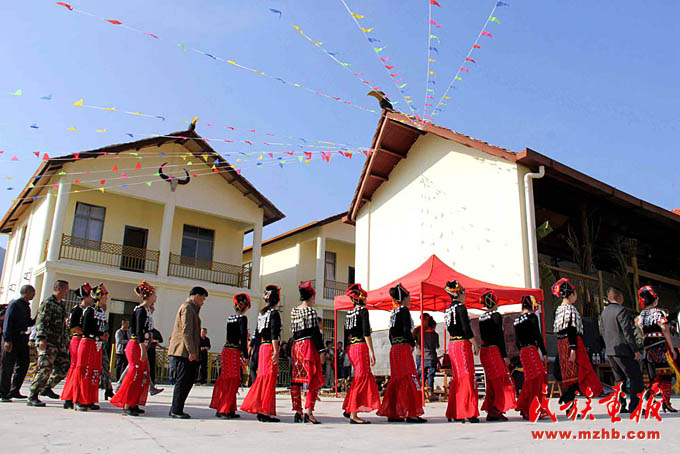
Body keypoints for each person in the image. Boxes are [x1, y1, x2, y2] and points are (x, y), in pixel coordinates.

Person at [377, 283, 426, 423]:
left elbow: (390, 334)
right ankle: (410, 413)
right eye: (409, 296)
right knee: (409, 376)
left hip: (394, 348)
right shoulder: (404, 310)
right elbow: (406, 329)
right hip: (403, 347)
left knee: (397, 379)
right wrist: (412, 343)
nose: (410, 299)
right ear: (404, 298)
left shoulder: (394, 312)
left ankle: (394, 412)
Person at [552, 278, 603, 410]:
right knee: (577, 373)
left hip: (562, 344)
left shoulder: (559, 310)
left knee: (567, 375)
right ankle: (569, 401)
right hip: (572, 343)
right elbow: (571, 329)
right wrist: (573, 348)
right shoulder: (571, 310)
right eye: (574, 293)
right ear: (571, 294)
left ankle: (568, 403)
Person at [111, 281, 156, 416]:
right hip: (136, 345)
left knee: (141, 376)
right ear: (149, 296)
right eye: (154, 294)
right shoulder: (140, 310)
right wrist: (142, 349)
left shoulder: (147, 311)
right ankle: (127, 404)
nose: (155, 297)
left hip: (142, 345)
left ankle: (134, 402)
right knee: (134, 374)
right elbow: (138, 331)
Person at [241, 285, 282, 422]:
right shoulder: (274, 314)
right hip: (270, 347)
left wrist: (251, 348)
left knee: (263, 377)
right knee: (270, 378)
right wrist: (276, 350)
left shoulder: (262, 314)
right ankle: (265, 411)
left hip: (262, 348)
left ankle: (261, 409)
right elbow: (274, 333)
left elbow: (257, 333)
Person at [599, 286, 643, 413]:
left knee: (619, 379)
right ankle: (635, 406)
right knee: (635, 377)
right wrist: (635, 350)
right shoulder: (621, 310)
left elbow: (601, 331)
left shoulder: (604, 313)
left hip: (610, 350)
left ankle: (620, 405)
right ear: (619, 297)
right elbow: (627, 332)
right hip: (623, 350)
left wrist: (608, 346)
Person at [342, 283, 380, 424]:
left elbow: (346, 334)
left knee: (358, 377)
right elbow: (366, 333)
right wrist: (372, 351)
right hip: (360, 347)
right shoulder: (363, 311)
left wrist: (347, 349)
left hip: (351, 348)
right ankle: (353, 413)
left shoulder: (349, 313)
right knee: (361, 377)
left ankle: (349, 408)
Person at [28, 280, 70, 407]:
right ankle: (33, 394)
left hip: (59, 342)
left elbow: (63, 324)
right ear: (58, 288)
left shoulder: (61, 305)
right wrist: (41, 338)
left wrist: (66, 340)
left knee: (64, 366)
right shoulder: (48, 303)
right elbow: (41, 321)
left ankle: (47, 387)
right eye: (65, 290)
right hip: (48, 341)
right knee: (44, 368)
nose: (67, 292)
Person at [636, 286, 679, 412]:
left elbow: (640, 328)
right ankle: (661, 401)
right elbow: (665, 329)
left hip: (648, 348)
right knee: (664, 375)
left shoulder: (641, 316)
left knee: (653, 376)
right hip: (660, 346)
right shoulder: (659, 313)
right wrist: (672, 348)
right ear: (654, 301)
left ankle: (652, 400)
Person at [443, 280, 480, 423]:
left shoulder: (448, 309)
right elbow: (466, 328)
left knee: (458, 377)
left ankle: (455, 411)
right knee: (466, 375)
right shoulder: (461, 308)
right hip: (462, 344)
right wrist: (475, 344)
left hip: (453, 344)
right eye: (463, 293)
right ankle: (467, 411)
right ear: (459, 294)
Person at [167, 286, 206, 419]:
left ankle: (178, 408)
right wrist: (191, 351)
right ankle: (176, 409)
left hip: (188, 351)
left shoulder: (193, 309)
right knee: (183, 381)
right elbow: (187, 331)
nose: (203, 302)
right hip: (183, 351)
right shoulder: (188, 308)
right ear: (196, 296)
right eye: (202, 299)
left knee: (188, 380)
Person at [289, 281, 326, 424]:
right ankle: (308, 411)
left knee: (296, 379)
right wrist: (321, 350)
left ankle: (297, 411)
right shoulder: (311, 311)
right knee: (312, 378)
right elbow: (315, 332)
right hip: (308, 346)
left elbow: (294, 332)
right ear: (311, 297)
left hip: (296, 346)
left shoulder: (294, 311)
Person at [210, 293, 251, 419]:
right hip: (234, 351)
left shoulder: (230, 318)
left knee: (227, 378)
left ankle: (229, 407)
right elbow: (243, 337)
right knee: (233, 379)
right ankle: (224, 409)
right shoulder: (242, 319)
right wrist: (245, 354)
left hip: (227, 350)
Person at [478, 290, 516, 422]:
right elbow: (499, 336)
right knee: (500, 380)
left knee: (491, 381)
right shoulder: (496, 316)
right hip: (494, 351)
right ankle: (497, 408)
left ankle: (492, 409)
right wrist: (504, 355)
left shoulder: (482, 318)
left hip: (484, 351)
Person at [73, 283, 108, 411]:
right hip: (88, 342)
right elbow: (86, 329)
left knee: (94, 371)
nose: (106, 299)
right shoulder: (89, 311)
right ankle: (79, 399)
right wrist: (99, 335)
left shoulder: (100, 312)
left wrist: (104, 334)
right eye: (104, 297)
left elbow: (101, 327)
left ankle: (89, 399)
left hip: (97, 344)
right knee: (84, 371)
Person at [514, 296, 549, 419]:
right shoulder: (532, 317)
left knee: (529, 379)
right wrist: (544, 352)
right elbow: (537, 335)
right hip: (531, 350)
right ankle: (532, 407)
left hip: (523, 351)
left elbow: (517, 341)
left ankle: (525, 406)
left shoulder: (517, 320)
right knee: (538, 378)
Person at [0, 285, 36, 402]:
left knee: (24, 364)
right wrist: (7, 340)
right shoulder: (15, 304)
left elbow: (28, 322)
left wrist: (35, 319)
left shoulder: (26, 306)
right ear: (25, 292)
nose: (34, 294)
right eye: (32, 292)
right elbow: (8, 322)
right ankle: (3, 392)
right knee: (8, 366)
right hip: (12, 338)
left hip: (22, 338)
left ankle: (14, 390)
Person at [413, 313, 439, 394]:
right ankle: (428, 392)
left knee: (422, 374)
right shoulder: (418, 330)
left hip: (424, 356)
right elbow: (437, 346)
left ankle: (420, 392)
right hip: (425, 356)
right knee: (427, 375)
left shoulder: (421, 332)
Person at [147, 306, 164, 396]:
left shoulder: (155, 331)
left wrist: (155, 341)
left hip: (151, 351)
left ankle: (151, 385)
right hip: (144, 349)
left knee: (151, 367)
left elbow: (160, 340)